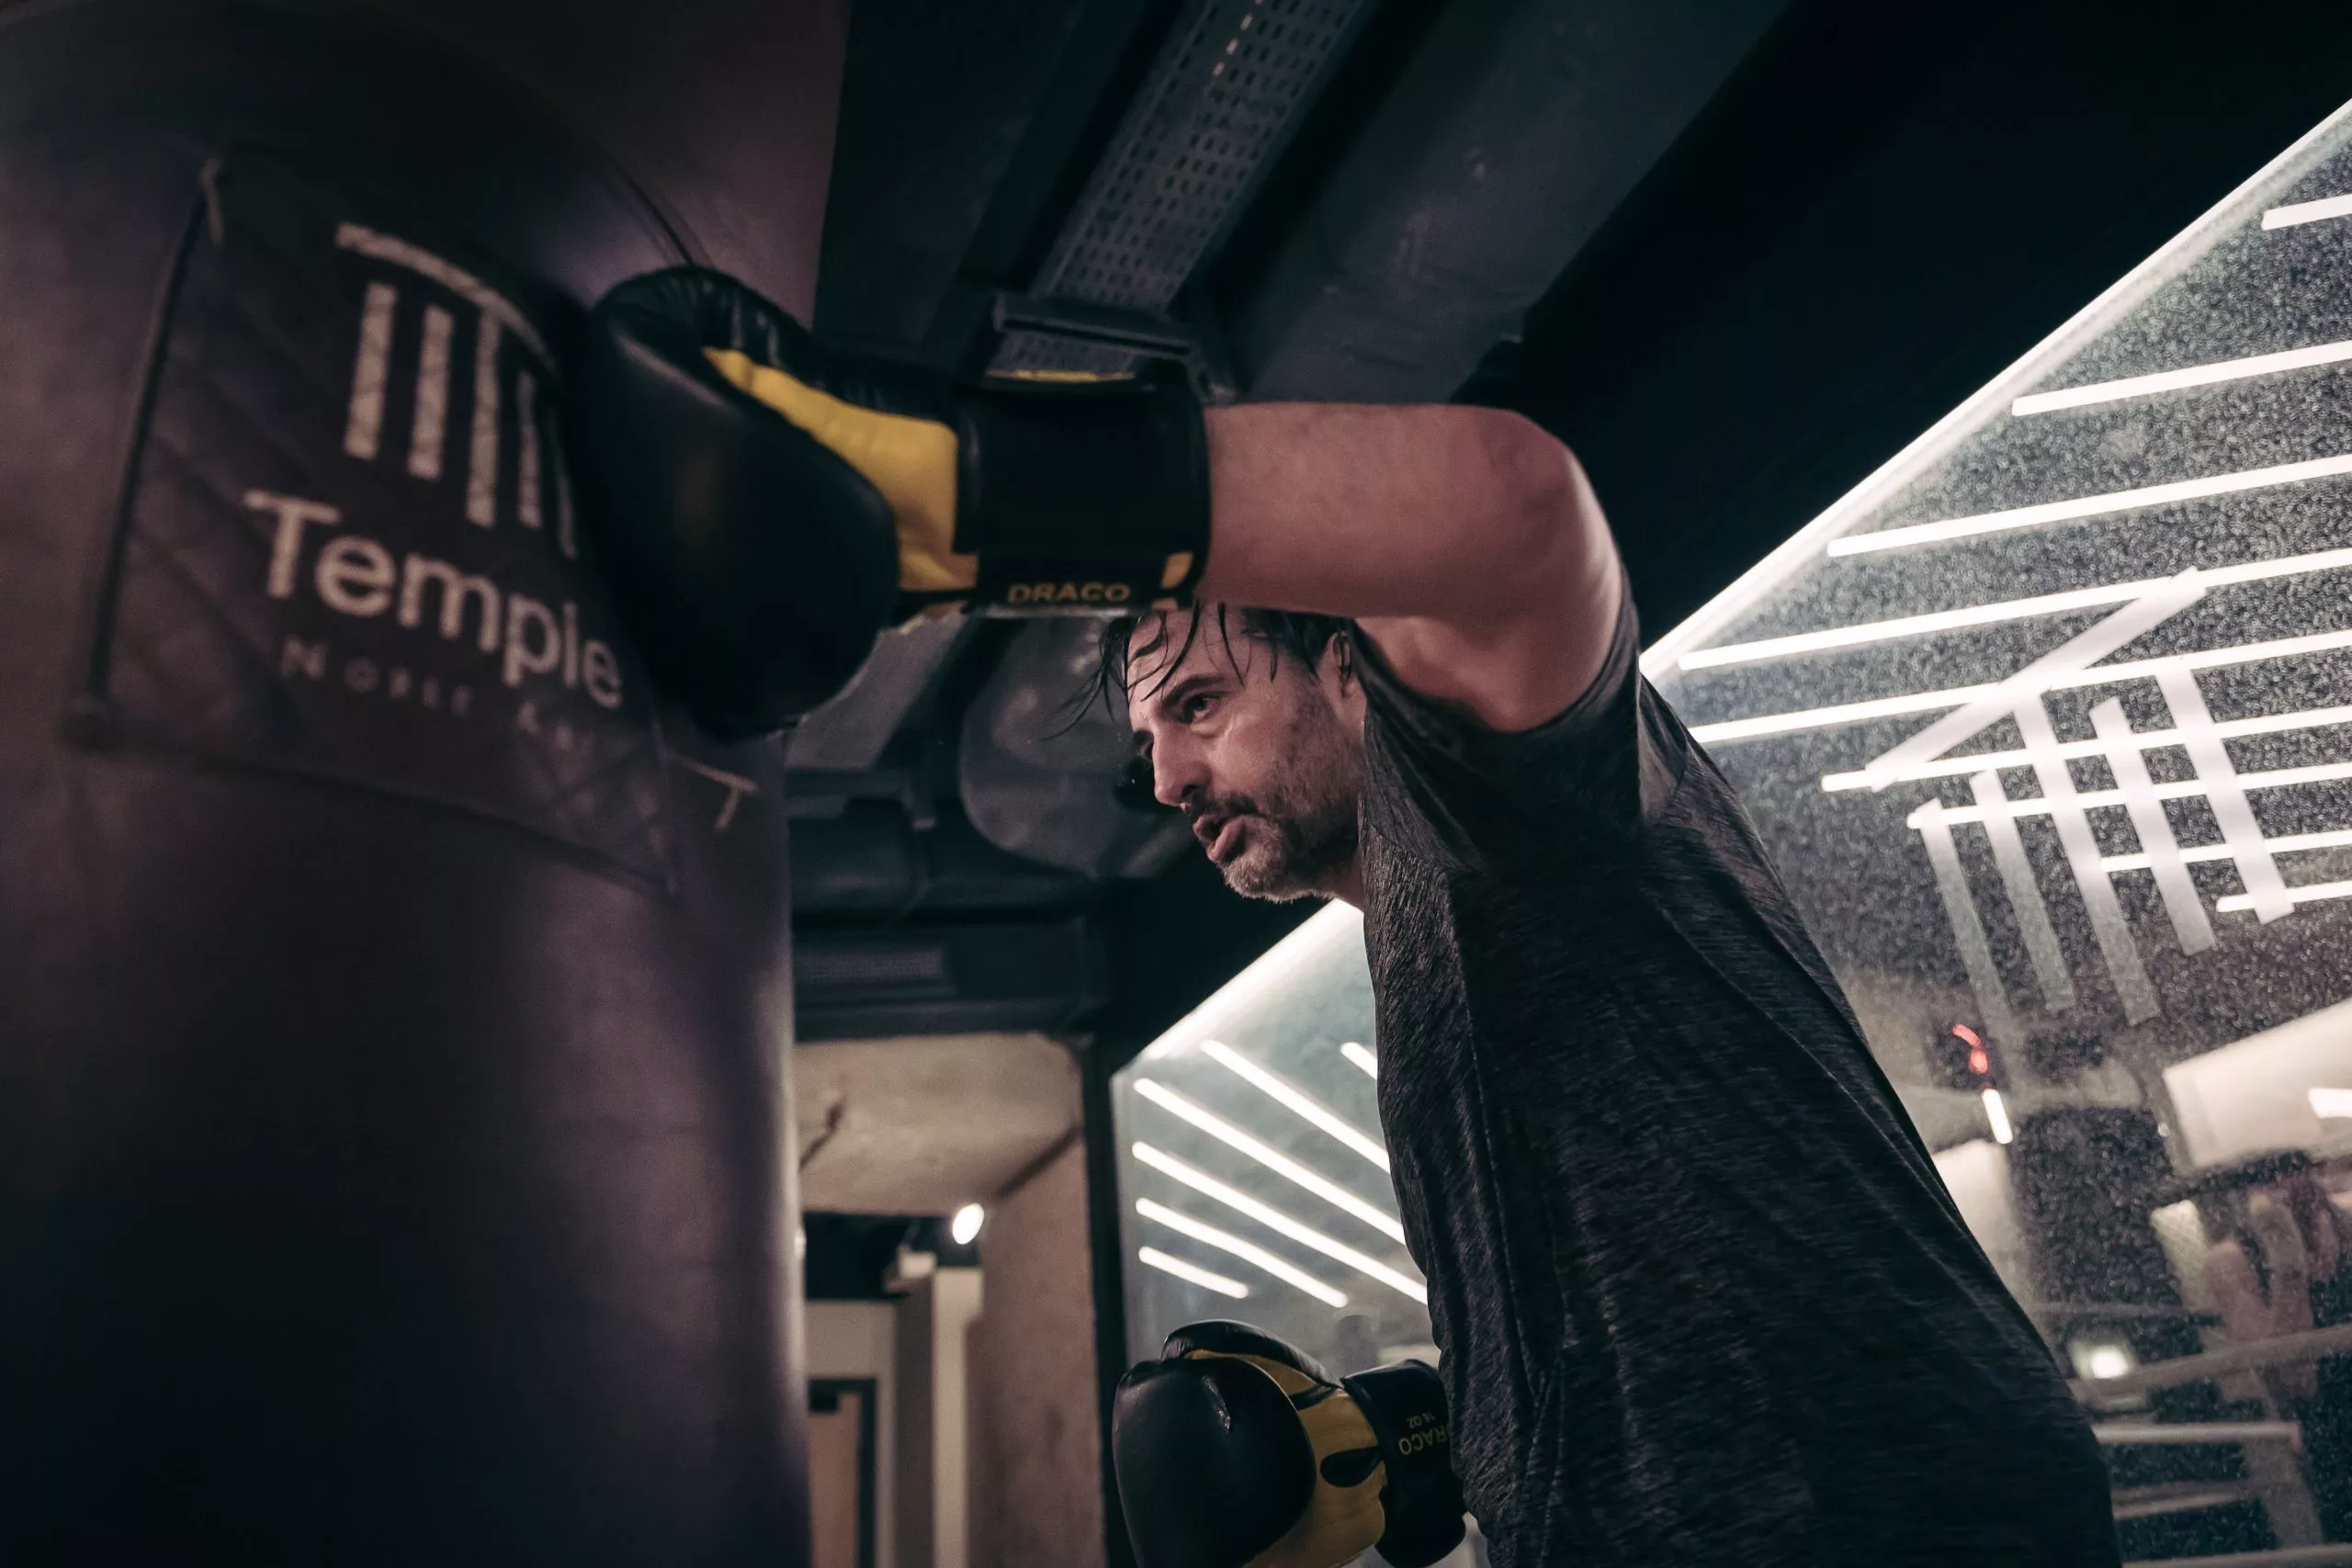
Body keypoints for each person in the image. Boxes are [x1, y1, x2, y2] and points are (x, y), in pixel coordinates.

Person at [571, 270, 2120, 1568]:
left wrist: (947, 483)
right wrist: (1427, 1433)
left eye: (1198, 702)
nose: (1168, 773)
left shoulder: (1507, 803)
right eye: (1151, 738)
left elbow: (1519, 508)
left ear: (1355, 670)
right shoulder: (1440, 918)